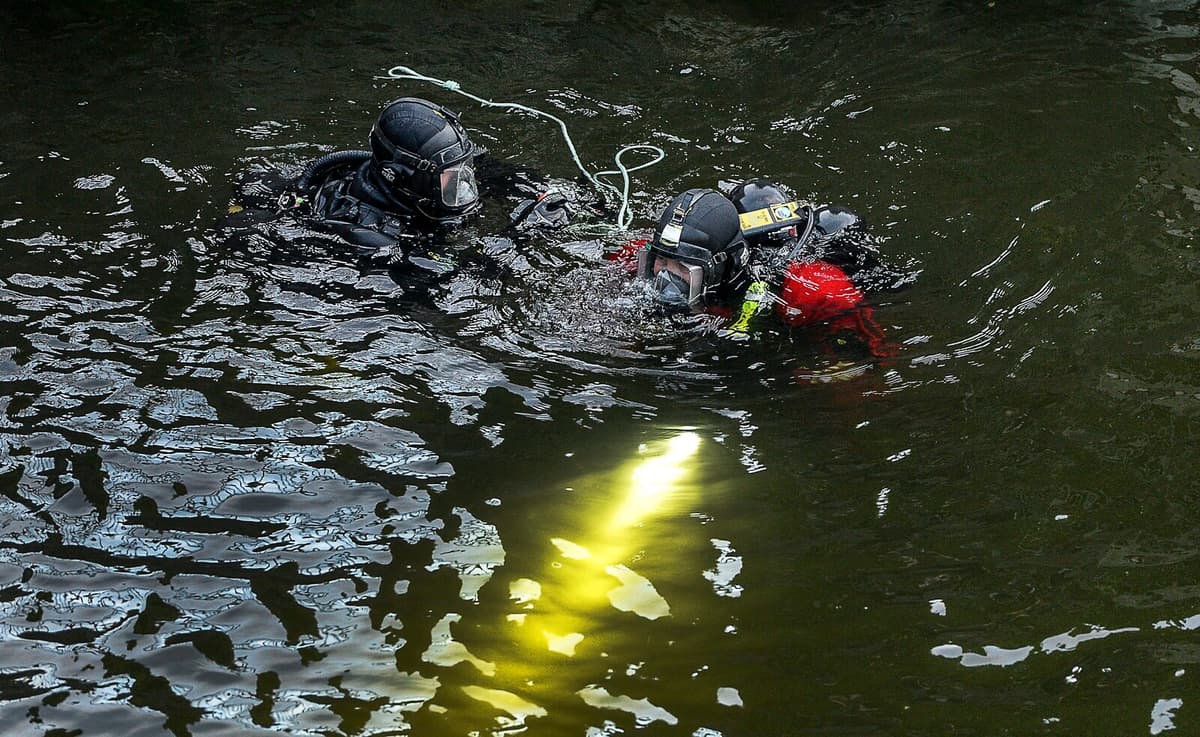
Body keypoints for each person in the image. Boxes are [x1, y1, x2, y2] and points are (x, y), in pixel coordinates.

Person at [224, 97, 571, 268]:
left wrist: (545, 195)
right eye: (453, 180)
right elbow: (448, 277)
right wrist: (525, 234)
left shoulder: (432, 176)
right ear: (402, 176)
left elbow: (498, 171)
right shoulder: (370, 233)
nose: (464, 188)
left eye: (463, 175)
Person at [621, 181, 906, 356]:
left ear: (721, 267)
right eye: (662, 261)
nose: (665, 277)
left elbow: (873, 357)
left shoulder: (812, 291)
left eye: (683, 268)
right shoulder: (654, 255)